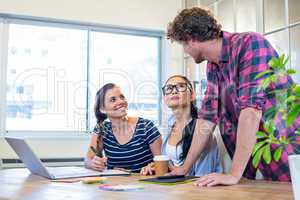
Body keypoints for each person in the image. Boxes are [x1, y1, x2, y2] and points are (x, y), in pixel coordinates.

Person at [166, 7, 299, 186]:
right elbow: (207, 118)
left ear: (192, 39)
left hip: (288, 147)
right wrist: (184, 168)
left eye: (183, 44)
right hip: (262, 155)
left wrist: (233, 174)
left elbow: (251, 111)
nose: (185, 52)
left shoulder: (250, 43)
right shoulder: (213, 66)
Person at [141, 75, 222, 176]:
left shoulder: (203, 131)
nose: (174, 91)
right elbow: (172, 168)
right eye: (169, 88)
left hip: (196, 188)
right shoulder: (168, 126)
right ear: (165, 98)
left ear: (192, 95)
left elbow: (203, 177)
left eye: (181, 86)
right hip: (174, 187)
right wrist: (157, 167)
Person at [85, 83, 162, 173]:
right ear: (102, 109)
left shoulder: (147, 127)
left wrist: (153, 166)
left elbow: (163, 161)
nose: (121, 102)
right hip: (115, 184)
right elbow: (88, 160)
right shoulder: (102, 129)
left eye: (122, 97)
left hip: (144, 183)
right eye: (113, 100)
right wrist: (94, 164)